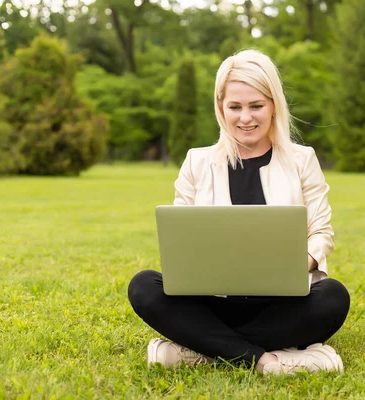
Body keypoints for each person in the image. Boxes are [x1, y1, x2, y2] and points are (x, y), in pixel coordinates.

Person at [128, 49, 350, 375]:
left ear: (274, 105)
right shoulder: (197, 162)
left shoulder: (302, 160)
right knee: (143, 286)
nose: (245, 117)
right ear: (221, 108)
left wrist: (294, 266)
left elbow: (321, 233)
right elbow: (182, 239)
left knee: (333, 296)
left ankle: (204, 350)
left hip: (282, 302)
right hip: (215, 300)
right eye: (235, 107)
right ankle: (268, 361)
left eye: (256, 106)